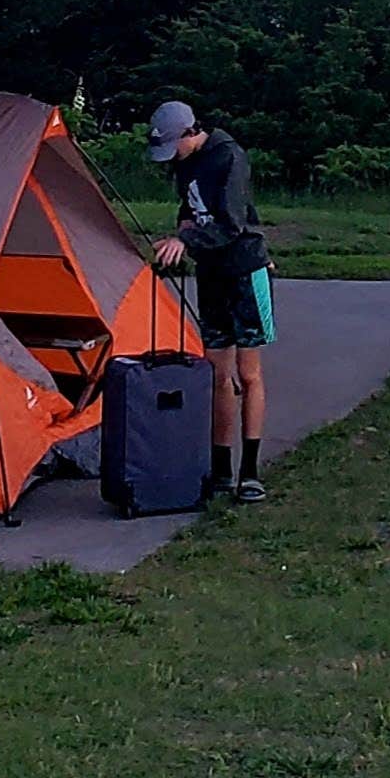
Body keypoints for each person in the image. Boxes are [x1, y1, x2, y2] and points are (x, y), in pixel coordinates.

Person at [144, 98, 274, 503]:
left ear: (189, 132)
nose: (172, 158)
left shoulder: (229, 157)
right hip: (211, 273)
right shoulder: (186, 163)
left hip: (244, 271)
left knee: (247, 373)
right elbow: (192, 208)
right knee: (218, 373)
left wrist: (185, 240)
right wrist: (181, 229)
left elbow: (232, 224)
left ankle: (249, 472)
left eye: (173, 147)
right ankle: (220, 469)